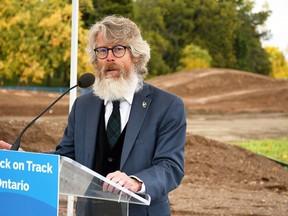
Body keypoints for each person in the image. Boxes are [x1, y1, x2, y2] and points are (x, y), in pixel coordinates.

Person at [0, 15, 186, 215]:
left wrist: (135, 182)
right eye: (103, 51)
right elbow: (66, 159)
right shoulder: (83, 106)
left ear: (136, 55)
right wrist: (25, 162)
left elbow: (170, 167)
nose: (109, 57)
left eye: (118, 49)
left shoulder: (167, 106)